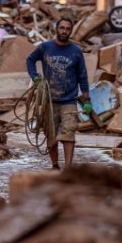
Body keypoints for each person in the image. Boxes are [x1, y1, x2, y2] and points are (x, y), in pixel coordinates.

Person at [25, 17, 89, 170]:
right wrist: (35, 77)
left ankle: (68, 168)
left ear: (71, 31)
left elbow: (82, 74)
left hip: (69, 100)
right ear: (56, 29)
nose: (64, 31)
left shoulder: (76, 51)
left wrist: (86, 96)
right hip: (49, 100)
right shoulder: (45, 47)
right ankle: (55, 165)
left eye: (67, 29)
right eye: (62, 28)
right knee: (50, 135)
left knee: (69, 134)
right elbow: (30, 59)